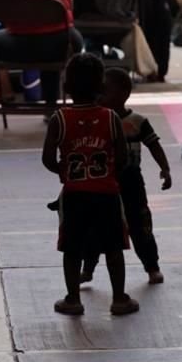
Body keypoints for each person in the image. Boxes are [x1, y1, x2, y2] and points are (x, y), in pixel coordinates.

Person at [41, 53, 138, 317]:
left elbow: (47, 158)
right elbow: (122, 158)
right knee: (113, 247)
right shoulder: (110, 118)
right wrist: (107, 173)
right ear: (100, 87)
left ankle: (73, 299)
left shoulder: (59, 119)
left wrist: (65, 172)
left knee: (72, 249)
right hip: (106, 193)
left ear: (66, 86)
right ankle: (119, 299)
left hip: (74, 195)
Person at [79, 67, 171, 286]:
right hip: (102, 180)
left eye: (105, 91)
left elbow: (154, 145)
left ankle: (152, 267)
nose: (99, 95)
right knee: (94, 228)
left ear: (123, 94)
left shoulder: (137, 121)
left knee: (140, 225)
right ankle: (88, 269)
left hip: (131, 181)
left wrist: (165, 168)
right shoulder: (95, 119)